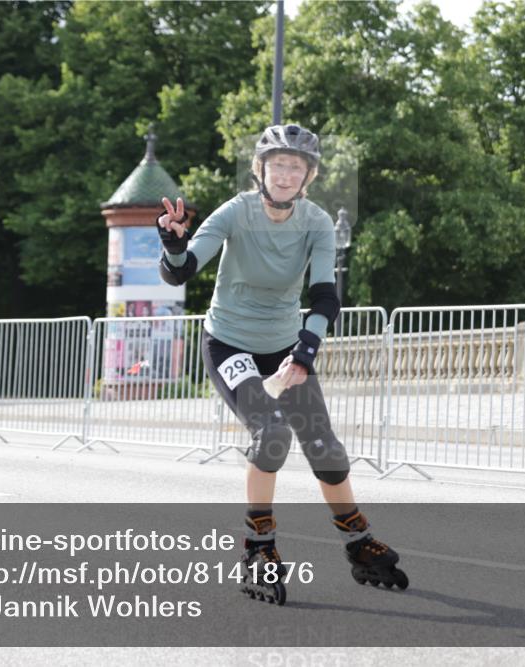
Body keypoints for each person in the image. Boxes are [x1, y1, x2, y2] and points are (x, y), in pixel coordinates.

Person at [156, 124, 407, 604]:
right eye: (278, 164)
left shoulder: (315, 223)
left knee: (326, 448)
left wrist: (304, 355)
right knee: (271, 434)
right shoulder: (236, 212)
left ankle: (358, 541)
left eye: (296, 166)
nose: (286, 173)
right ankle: (258, 545)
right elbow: (182, 271)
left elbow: (325, 298)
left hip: (286, 347)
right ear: (261, 169)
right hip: (229, 344)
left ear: (308, 175)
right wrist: (172, 243)